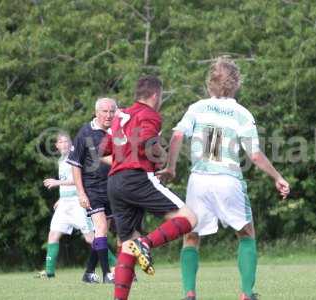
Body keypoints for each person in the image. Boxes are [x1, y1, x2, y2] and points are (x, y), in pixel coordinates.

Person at [158, 57, 290, 300]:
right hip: (228, 179)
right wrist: (277, 176)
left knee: (191, 236)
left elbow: (177, 136)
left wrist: (171, 167)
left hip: (198, 180)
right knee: (247, 233)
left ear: (210, 84)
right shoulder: (242, 113)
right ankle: (246, 293)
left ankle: (189, 292)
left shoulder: (197, 108)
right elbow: (255, 154)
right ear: (236, 84)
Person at [104, 75, 197, 300]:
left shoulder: (121, 115)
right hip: (136, 177)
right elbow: (146, 142)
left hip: (114, 182)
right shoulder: (150, 115)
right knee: (189, 219)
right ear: (156, 95)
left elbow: (105, 149)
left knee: (126, 244)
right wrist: (162, 156)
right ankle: (145, 243)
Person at [67, 98, 118, 284]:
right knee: (101, 228)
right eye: (105, 111)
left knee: (102, 232)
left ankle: (89, 273)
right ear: (96, 112)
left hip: (112, 187)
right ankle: (107, 274)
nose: (108, 115)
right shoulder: (85, 132)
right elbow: (75, 164)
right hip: (92, 188)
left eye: (112, 111)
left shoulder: (118, 131)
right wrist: (81, 192)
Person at [35, 133, 94, 279]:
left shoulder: (74, 156)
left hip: (77, 202)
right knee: (53, 235)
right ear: (57, 146)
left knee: (90, 238)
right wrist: (61, 198)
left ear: (70, 143)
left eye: (67, 141)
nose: (64, 144)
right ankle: (49, 272)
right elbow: (66, 181)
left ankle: (115, 265)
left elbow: (78, 180)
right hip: (65, 203)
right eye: (61, 142)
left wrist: (57, 182)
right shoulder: (62, 159)